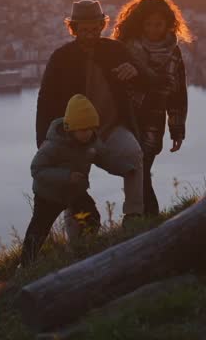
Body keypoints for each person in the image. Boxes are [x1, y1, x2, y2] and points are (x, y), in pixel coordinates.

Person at [36, 0, 149, 226]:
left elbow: (148, 80)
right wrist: (44, 142)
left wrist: (135, 71)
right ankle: (78, 240)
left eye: (94, 28)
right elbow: (45, 101)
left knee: (134, 155)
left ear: (101, 26)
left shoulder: (116, 50)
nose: (89, 34)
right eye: (83, 29)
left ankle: (134, 215)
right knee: (72, 187)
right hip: (74, 136)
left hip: (111, 128)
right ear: (74, 29)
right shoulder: (61, 57)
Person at [20, 94, 135, 266]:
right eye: (82, 129)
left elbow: (106, 159)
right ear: (70, 128)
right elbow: (36, 169)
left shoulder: (92, 143)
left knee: (92, 219)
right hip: (48, 195)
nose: (87, 133)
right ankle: (25, 266)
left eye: (90, 128)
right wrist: (67, 176)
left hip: (75, 192)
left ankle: (81, 251)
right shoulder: (54, 145)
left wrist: (126, 168)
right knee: (38, 231)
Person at [112, 0, 192, 217]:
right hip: (127, 118)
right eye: (147, 24)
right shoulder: (125, 48)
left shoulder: (173, 52)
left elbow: (177, 93)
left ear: (168, 24)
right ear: (139, 24)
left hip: (154, 123)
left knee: (142, 170)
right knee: (138, 170)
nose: (153, 29)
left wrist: (177, 129)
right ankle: (145, 218)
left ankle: (141, 220)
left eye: (158, 24)